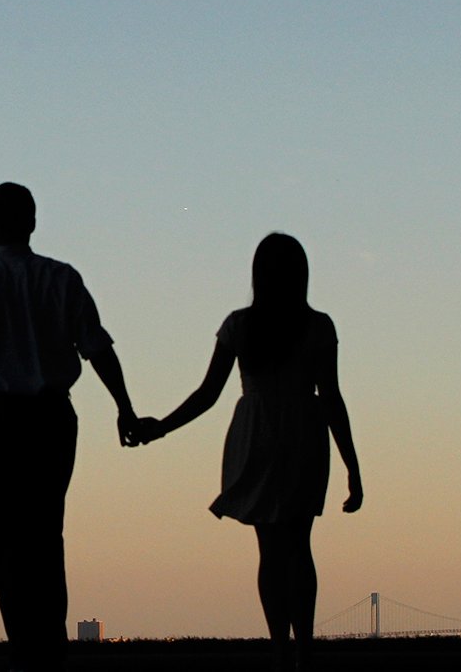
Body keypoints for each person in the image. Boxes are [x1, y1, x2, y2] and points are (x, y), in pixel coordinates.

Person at [134, 233, 363, 672]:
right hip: (303, 432)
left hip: (256, 433)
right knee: (299, 545)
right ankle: (304, 650)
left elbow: (207, 394)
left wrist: (159, 429)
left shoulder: (240, 325)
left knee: (270, 550)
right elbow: (332, 397)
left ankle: (280, 648)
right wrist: (353, 465)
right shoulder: (319, 326)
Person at [0, 182, 139, 672]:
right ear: (31, 223)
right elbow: (97, 350)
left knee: (3, 538)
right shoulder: (61, 279)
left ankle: (24, 647)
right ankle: (51, 646)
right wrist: (125, 408)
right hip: (52, 417)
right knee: (47, 534)